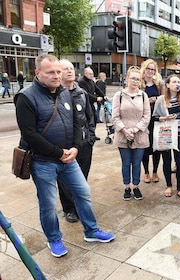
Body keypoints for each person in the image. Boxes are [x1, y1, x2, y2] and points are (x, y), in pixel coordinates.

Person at [15, 54, 115, 258]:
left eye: (58, 71)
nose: (56, 75)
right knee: (49, 204)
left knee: (83, 192)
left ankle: (91, 230)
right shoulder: (26, 97)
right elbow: (29, 134)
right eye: (50, 72)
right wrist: (58, 153)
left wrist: (76, 147)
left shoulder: (65, 93)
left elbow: (76, 123)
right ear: (37, 73)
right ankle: (54, 238)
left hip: (69, 159)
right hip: (43, 163)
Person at [56, 59, 97, 223]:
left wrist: (91, 138)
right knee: (65, 180)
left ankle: (79, 204)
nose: (69, 71)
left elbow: (90, 117)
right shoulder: (55, 94)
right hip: (65, 145)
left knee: (82, 177)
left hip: (84, 144)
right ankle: (69, 208)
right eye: (65, 69)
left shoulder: (82, 93)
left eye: (71, 68)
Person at [152, 74, 180, 201]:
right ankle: (169, 185)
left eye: (178, 81)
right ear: (168, 85)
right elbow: (154, 117)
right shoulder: (161, 100)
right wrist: (165, 118)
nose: (177, 84)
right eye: (174, 82)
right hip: (167, 135)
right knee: (167, 161)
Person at [112, 66, 151, 201]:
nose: (135, 81)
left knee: (136, 162)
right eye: (133, 78)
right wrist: (124, 130)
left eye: (138, 79)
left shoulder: (143, 95)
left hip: (139, 134)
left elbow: (147, 116)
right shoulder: (119, 95)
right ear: (127, 78)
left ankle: (136, 185)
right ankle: (127, 186)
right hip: (123, 135)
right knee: (125, 162)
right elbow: (115, 117)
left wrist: (135, 130)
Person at [140, 59, 165, 184]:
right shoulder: (140, 84)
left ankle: (155, 171)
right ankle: (146, 172)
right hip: (144, 120)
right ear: (144, 70)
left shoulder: (159, 84)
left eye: (152, 69)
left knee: (156, 147)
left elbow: (164, 99)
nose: (150, 71)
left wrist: (156, 99)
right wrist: (150, 100)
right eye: (148, 69)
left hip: (156, 120)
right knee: (144, 147)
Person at [78, 67, 105, 139]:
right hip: (85, 103)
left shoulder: (91, 81)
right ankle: (87, 134)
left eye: (92, 74)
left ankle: (92, 134)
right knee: (88, 119)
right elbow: (86, 94)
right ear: (85, 73)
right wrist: (96, 98)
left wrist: (103, 96)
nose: (92, 75)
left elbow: (97, 89)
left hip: (91, 103)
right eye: (90, 74)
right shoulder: (82, 82)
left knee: (95, 118)